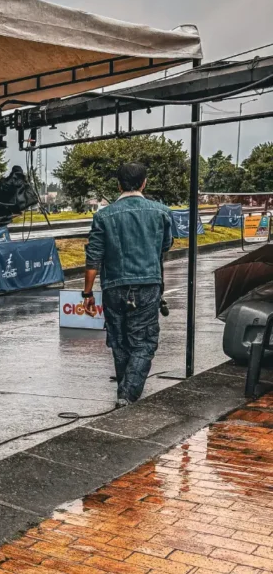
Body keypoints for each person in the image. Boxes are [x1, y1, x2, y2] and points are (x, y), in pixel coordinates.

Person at [82, 162, 174, 407]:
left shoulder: (103, 215)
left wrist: (87, 293)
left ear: (118, 184)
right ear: (144, 183)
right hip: (147, 285)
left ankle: (125, 392)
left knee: (119, 340)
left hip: (113, 287)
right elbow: (165, 246)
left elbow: (93, 258)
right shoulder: (161, 212)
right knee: (143, 342)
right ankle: (127, 395)